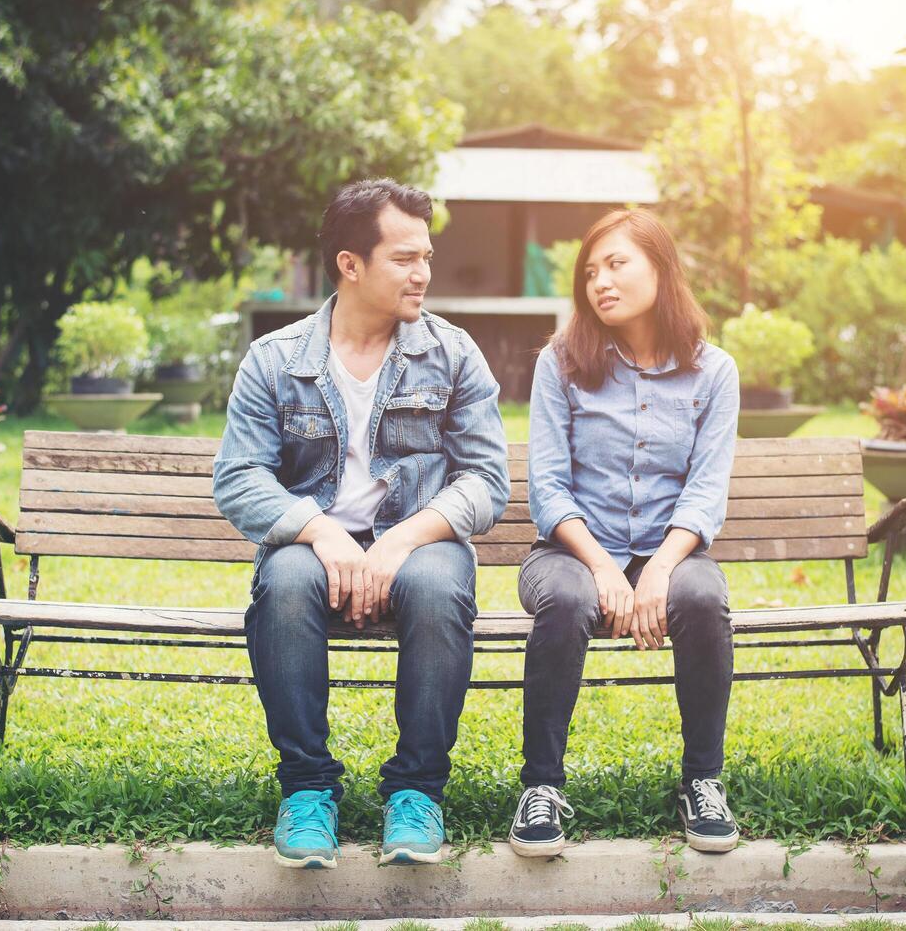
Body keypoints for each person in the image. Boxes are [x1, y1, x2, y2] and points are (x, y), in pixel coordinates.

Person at [213, 179, 510, 869]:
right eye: (404, 258)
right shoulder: (275, 360)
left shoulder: (453, 354)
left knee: (437, 590)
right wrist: (321, 533)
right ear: (350, 264)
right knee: (284, 582)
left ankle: (416, 792)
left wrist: (402, 540)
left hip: (422, 538)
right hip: (315, 543)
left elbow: (486, 481)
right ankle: (308, 790)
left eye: (427, 256)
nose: (423, 273)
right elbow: (237, 477)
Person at [508, 208, 740, 858]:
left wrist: (659, 570)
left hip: (671, 550)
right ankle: (540, 788)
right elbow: (547, 487)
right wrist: (605, 568)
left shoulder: (713, 372)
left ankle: (702, 782)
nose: (599, 283)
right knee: (569, 598)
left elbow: (704, 490)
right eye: (589, 272)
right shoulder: (559, 363)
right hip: (569, 550)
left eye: (616, 264)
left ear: (660, 270)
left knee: (698, 598)